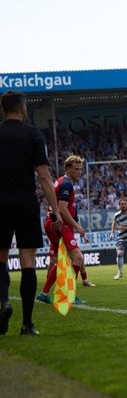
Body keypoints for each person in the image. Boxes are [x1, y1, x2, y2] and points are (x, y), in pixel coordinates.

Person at [0, 90, 63, 336]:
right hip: (26, 200)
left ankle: (4, 301)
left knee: (1, 258)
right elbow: (45, 177)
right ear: (23, 108)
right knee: (28, 261)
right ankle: (27, 324)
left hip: (0, 201)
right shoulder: (33, 134)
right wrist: (56, 211)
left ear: (3, 109)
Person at [37, 155, 90, 305]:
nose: (79, 172)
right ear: (67, 169)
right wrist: (77, 226)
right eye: (76, 169)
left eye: (80, 169)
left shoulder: (61, 181)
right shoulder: (67, 184)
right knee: (77, 258)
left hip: (52, 223)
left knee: (62, 260)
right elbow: (62, 209)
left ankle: (44, 293)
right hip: (60, 224)